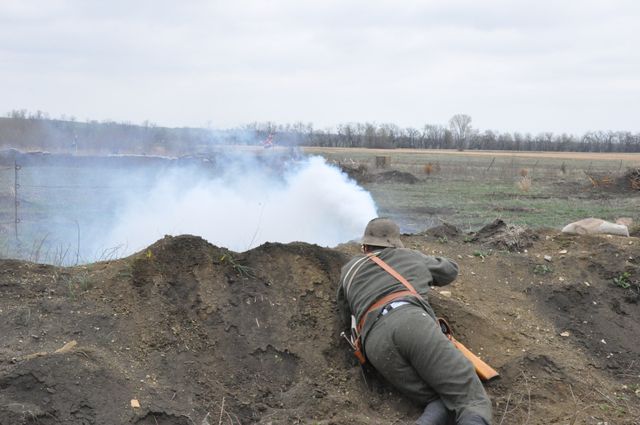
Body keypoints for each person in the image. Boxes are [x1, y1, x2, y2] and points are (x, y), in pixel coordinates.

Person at [337, 218, 492, 425]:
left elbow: (345, 313)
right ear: (395, 243)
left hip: (374, 344)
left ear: (365, 246)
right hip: (411, 322)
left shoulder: (348, 270)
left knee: (439, 400)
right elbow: (450, 270)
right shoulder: (407, 256)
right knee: (469, 398)